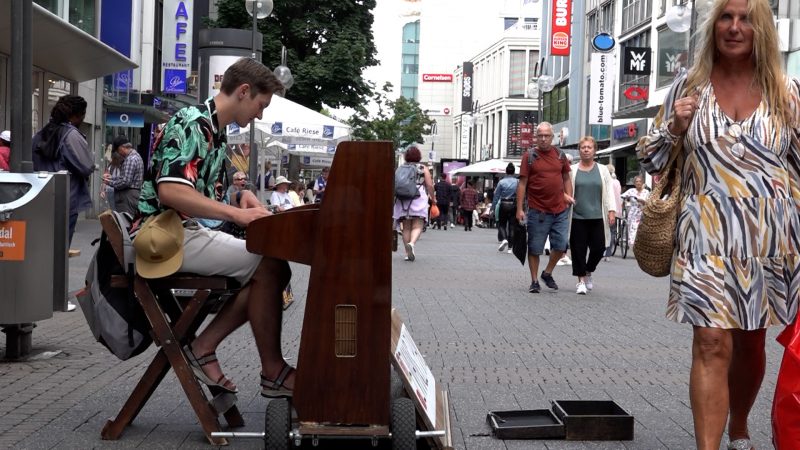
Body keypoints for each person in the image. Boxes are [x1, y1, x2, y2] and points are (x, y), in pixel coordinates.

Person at [637, 1, 800, 448]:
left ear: (762, 29)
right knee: (710, 341)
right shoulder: (688, 89)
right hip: (704, 238)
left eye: (745, 19)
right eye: (726, 18)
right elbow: (650, 158)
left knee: (750, 344)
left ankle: (740, 427)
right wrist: (674, 126)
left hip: (768, 241)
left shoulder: (787, 94)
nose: (734, 27)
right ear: (713, 28)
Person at [137, 57, 295, 397]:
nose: (260, 114)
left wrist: (242, 198)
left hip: (180, 232)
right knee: (269, 266)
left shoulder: (212, 128)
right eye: (261, 105)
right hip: (165, 236)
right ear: (243, 91)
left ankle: (207, 347)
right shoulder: (192, 123)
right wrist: (236, 215)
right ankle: (270, 371)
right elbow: (172, 191)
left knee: (271, 269)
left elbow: (197, 193)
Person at [515, 122, 574, 293]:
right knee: (535, 248)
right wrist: (519, 209)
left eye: (546, 135)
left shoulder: (560, 155)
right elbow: (522, 184)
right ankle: (534, 281)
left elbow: (566, 177)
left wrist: (569, 196)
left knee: (561, 245)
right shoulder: (529, 156)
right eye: (540, 135)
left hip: (560, 210)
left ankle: (547, 273)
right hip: (537, 210)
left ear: (552, 137)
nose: (543, 139)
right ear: (536, 137)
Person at [32, 95, 95, 246]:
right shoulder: (71, 134)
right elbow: (86, 166)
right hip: (65, 200)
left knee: (42, 249)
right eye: (83, 115)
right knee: (59, 252)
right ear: (76, 115)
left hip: (40, 199)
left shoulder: (41, 133)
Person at [569, 137, 616, 295]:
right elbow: (566, 189)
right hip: (577, 217)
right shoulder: (572, 170)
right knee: (578, 250)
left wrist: (611, 210)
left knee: (599, 248)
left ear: (594, 150)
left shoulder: (603, 170)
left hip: (598, 216)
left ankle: (589, 270)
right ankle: (581, 281)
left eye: (589, 147)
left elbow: (609, 192)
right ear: (579, 150)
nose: (586, 150)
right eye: (583, 147)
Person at [392, 146, 433, 261]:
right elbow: (429, 185)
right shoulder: (422, 168)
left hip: (403, 199)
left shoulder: (400, 168)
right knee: (418, 225)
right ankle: (412, 243)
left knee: (406, 228)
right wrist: (433, 198)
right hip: (418, 198)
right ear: (418, 156)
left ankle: (407, 252)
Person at [103, 136, 143, 216]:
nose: (118, 153)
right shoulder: (136, 156)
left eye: (117, 151)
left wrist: (109, 182)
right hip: (132, 194)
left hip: (128, 195)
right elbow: (126, 177)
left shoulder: (130, 159)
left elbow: (125, 182)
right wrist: (112, 178)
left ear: (122, 148)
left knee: (125, 222)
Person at [492, 162, 519, 252]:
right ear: (514, 172)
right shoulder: (517, 182)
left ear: (506, 172)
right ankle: (510, 248)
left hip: (503, 204)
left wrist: (493, 207)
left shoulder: (501, 182)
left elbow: (496, 196)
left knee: (502, 224)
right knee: (512, 226)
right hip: (513, 204)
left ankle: (504, 239)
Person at [620, 175, 649, 247]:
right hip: (633, 213)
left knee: (642, 230)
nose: (638, 183)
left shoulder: (646, 192)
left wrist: (642, 201)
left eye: (640, 181)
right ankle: (633, 245)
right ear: (634, 183)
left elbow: (649, 203)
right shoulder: (631, 191)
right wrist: (627, 199)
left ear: (642, 183)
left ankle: (640, 245)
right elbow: (622, 196)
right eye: (637, 181)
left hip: (643, 213)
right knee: (632, 229)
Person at [604, 164, 622, 260]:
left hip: (607, 209)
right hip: (616, 209)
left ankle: (603, 250)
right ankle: (608, 253)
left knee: (605, 230)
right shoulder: (616, 182)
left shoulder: (606, 181)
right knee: (612, 231)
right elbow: (618, 194)